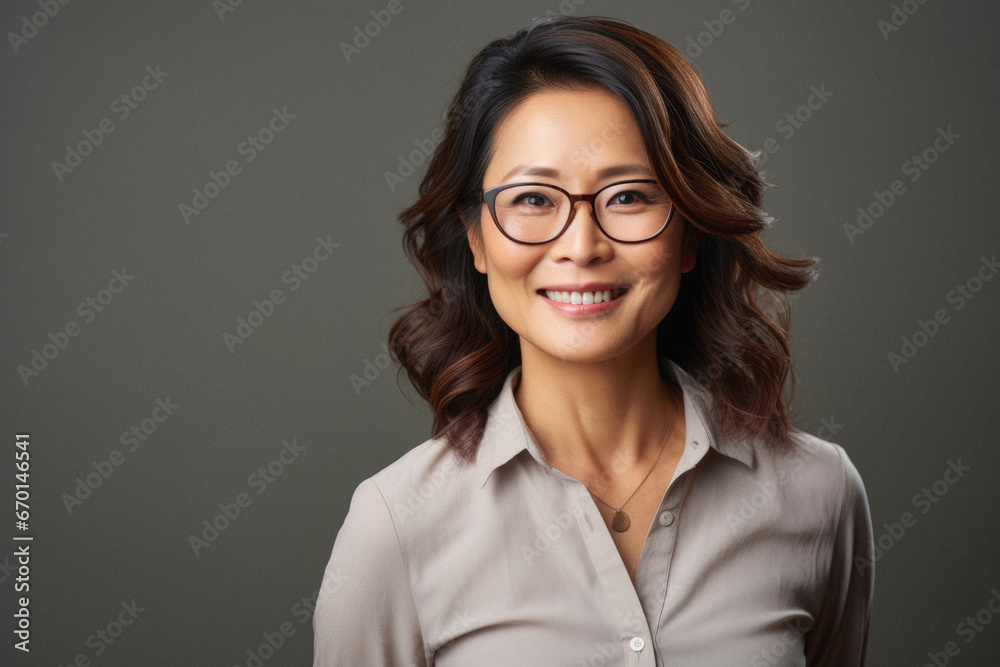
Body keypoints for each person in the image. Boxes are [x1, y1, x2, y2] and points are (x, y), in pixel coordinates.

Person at [313, 15, 874, 666]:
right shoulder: (397, 526)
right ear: (476, 238)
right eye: (532, 200)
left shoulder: (819, 491)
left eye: (629, 195)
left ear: (689, 233)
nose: (582, 247)